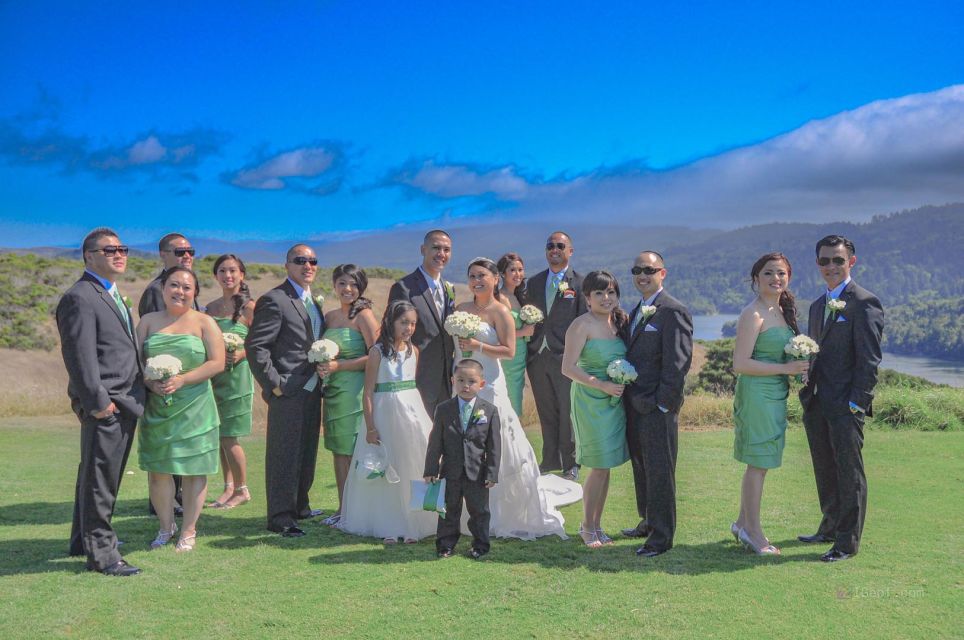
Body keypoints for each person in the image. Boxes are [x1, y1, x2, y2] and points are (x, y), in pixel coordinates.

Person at [453, 258, 581, 540]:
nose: (477, 281)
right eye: (472, 276)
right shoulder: (460, 309)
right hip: (461, 385)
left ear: (495, 279)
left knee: (496, 442)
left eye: (482, 276)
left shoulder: (500, 311)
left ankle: (500, 509)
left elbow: (509, 351)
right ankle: (464, 509)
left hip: (489, 384)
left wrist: (477, 345)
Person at [57, 227, 145, 576]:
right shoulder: (80, 297)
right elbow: (79, 356)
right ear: (89, 256)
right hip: (107, 404)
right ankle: (104, 556)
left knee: (96, 476)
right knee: (100, 482)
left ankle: (82, 541)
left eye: (122, 248)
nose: (119, 254)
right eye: (110, 250)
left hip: (124, 400)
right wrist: (98, 404)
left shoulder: (110, 294)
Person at [799, 235, 884, 562]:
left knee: (849, 473)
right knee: (824, 468)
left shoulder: (865, 303)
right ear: (817, 264)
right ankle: (830, 526)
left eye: (838, 259)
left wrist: (857, 403)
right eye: (825, 260)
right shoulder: (817, 306)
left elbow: (869, 360)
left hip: (847, 405)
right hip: (817, 403)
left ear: (851, 261)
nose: (831, 266)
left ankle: (847, 543)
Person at [137, 267, 224, 552]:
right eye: (174, 285)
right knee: (158, 470)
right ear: (163, 289)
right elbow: (136, 363)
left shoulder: (205, 322)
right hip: (157, 407)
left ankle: (188, 530)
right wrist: (150, 383)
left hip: (195, 407)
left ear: (195, 292)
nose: (180, 292)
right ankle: (165, 527)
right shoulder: (148, 322)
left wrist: (183, 379)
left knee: (194, 470)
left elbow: (217, 362)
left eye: (187, 287)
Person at [339, 300, 438, 543]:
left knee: (413, 464)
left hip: (412, 413)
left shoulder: (414, 351)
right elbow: (368, 392)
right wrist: (371, 427)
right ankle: (390, 524)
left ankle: (417, 521)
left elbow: (411, 385)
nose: (408, 328)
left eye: (412, 323)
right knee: (388, 466)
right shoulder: (377, 352)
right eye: (403, 322)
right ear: (390, 322)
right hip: (385, 414)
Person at [730, 253, 809, 555]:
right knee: (758, 463)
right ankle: (753, 532)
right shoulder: (753, 314)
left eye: (781, 273)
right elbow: (740, 364)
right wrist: (785, 369)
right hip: (757, 395)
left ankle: (741, 523)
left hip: (776, 394)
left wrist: (798, 367)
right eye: (768, 273)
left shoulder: (782, 311)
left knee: (762, 461)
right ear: (756, 279)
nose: (775, 278)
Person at [246, 244, 327, 537]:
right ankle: (280, 517)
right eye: (300, 260)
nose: (308, 265)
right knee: (284, 454)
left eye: (313, 261)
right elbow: (256, 347)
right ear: (287, 265)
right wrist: (274, 385)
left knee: (307, 450)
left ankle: (300, 506)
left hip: (312, 389)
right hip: (288, 391)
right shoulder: (275, 299)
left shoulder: (312, 301)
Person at [619, 251, 694, 558]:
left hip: (657, 408)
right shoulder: (637, 310)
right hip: (633, 405)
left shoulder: (673, 311)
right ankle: (647, 521)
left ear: (663, 273)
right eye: (637, 270)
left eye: (649, 270)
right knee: (641, 467)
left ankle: (661, 538)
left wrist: (664, 404)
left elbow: (678, 363)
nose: (642, 275)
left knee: (660, 472)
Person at [562, 270, 631, 548]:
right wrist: (601, 385)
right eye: (599, 293)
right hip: (590, 401)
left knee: (606, 465)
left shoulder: (620, 322)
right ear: (587, 297)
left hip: (614, 402)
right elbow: (568, 368)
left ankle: (597, 524)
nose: (606, 298)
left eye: (611, 292)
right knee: (598, 465)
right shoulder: (581, 325)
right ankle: (587, 527)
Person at [138, 232, 197, 516]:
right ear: (163, 255)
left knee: (181, 442)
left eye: (190, 251)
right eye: (179, 252)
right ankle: (162, 501)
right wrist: (158, 376)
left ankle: (176, 496)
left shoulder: (188, 286)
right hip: (163, 380)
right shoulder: (156, 290)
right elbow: (155, 341)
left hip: (187, 385)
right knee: (165, 442)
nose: (186, 256)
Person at [317, 264, 379, 527]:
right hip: (333, 390)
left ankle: (359, 509)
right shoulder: (329, 317)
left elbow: (376, 356)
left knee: (354, 450)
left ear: (361, 287)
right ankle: (343, 508)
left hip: (355, 391)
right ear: (334, 285)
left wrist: (339, 366)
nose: (347, 289)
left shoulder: (364, 316)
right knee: (338, 449)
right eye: (342, 283)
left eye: (353, 284)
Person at [424, 359, 502, 559]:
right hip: (450, 470)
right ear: (453, 381)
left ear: (481, 384)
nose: (466, 385)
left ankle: (480, 545)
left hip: (478, 472)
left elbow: (494, 446)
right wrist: (431, 469)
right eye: (460, 380)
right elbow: (435, 442)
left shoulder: (489, 410)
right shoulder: (444, 409)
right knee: (448, 509)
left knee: (479, 511)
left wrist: (492, 473)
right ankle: (445, 545)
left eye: (471, 381)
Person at [526, 232, 587, 480]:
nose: (554, 249)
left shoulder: (580, 283)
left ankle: (571, 463)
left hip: (566, 357)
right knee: (546, 411)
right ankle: (549, 459)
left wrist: (578, 357)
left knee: (568, 412)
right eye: (550, 245)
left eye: (560, 246)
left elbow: (583, 322)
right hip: (538, 357)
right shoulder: (534, 282)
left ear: (570, 251)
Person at [204, 254, 256, 510]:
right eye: (222, 271)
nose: (228, 275)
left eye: (233, 270)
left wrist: (242, 353)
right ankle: (228, 487)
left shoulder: (250, 308)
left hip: (237, 378)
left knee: (229, 437)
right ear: (216, 276)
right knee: (220, 435)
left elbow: (261, 343)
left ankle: (242, 489)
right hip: (215, 378)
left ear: (241, 275)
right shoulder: (210, 309)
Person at [387, 229, 456, 415]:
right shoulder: (403, 288)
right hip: (418, 378)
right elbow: (393, 333)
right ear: (423, 249)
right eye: (436, 248)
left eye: (446, 250)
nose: (441, 254)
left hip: (447, 379)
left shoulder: (449, 289)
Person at [496, 253, 536, 416]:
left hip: (521, 356)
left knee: (517, 396)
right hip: (509, 360)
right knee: (511, 400)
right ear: (502, 274)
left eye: (520, 269)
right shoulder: (501, 298)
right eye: (512, 270)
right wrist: (524, 332)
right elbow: (498, 333)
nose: (518, 274)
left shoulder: (518, 295)